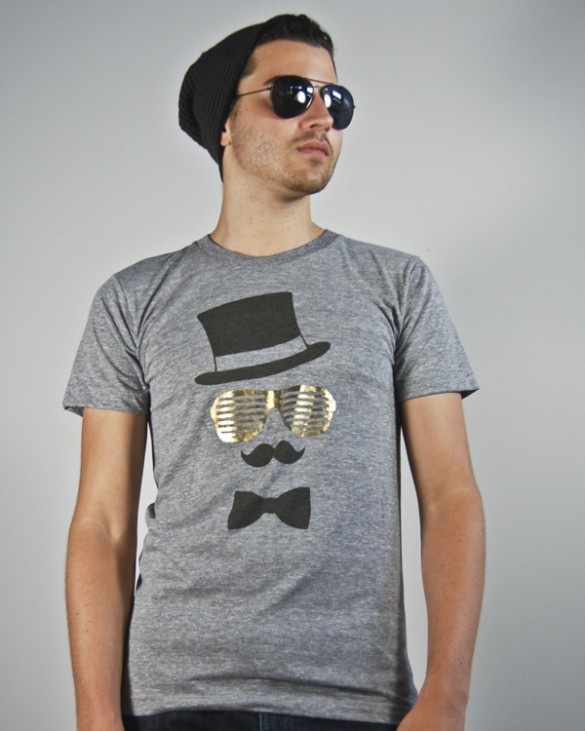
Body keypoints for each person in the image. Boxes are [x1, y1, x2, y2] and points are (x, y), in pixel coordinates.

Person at [64, 13, 485, 731]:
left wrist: (447, 695)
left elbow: (450, 495)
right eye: (291, 94)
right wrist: (96, 715)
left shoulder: (397, 285)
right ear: (225, 124)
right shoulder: (133, 299)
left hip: (355, 697)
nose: (321, 116)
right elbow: (101, 524)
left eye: (335, 100)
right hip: (177, 696)